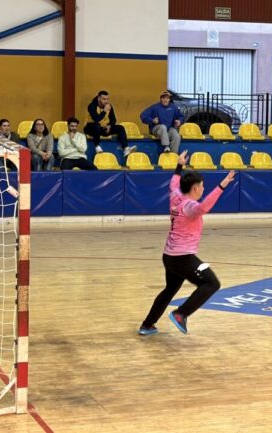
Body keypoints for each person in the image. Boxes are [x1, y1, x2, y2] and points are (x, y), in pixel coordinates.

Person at [139, 150, 236, 335]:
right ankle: (181, 314)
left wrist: (179, 165)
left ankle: (147, 325)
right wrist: (222, 186)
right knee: (212, 284)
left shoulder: (176, 197)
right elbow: (204, 207)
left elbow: (174, 182)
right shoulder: (190, 207)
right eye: (202, 186)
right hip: (183, 258)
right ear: (194, 188)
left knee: (169, 290)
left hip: (169, 256)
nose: (203, 189)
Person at [85, 90, 136, 157]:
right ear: (99, 98)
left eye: (107, 99)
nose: (106, 101)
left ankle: (126, 148)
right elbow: (96, 119)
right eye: (104, 99)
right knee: (96, 126)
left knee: (120, 127)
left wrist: (109, 126)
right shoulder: (92, 106)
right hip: (90, 128)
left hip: (103, 128)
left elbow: (113, 120)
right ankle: (97, 146)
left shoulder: (109, 106)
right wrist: (104, 111)